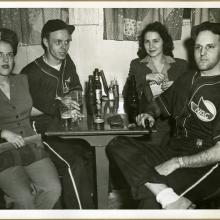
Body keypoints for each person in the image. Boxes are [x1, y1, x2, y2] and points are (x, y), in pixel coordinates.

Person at [107, 21, 220, 209]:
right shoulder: (187, 77)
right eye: (198, 47)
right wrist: (150, 113)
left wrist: (178, 163)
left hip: (206, 162)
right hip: (175, 147)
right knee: (116, 144)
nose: (202, 53)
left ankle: (165, 197)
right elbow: (160, 104)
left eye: (210, 47)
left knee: (149, 194)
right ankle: (168, 197)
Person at [21, 19, 95, 209]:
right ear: (46, 42)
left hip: (64, 125)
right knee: (74, 162)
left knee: (91, 152)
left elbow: (76, 87)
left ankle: (90, 204)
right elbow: (21, 110)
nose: (64, 47)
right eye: (58, 42)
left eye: (67, 41)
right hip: (39, 132)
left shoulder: (66, 61)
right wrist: (60, 103)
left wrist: (72, 98)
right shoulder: (29, 73)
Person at [0, 28, 61, 209]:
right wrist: (4, 132)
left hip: (30, 144)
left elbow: (29, 109)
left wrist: (59, 106)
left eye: (9, 55)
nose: (5, 60)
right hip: (3, 151)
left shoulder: (22, 80)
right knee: (24, 199)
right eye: (0, 55)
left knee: (53, 188)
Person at [123, 21, 188, 146]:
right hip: (148, 122)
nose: (151, 46)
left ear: (164, 42)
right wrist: (145, 77)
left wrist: (175, 88)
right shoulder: (137, 65)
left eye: (155, 41)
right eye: (147, 41)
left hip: (174, 125)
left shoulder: (181, 65)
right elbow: (127, 94)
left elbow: (191, 93)